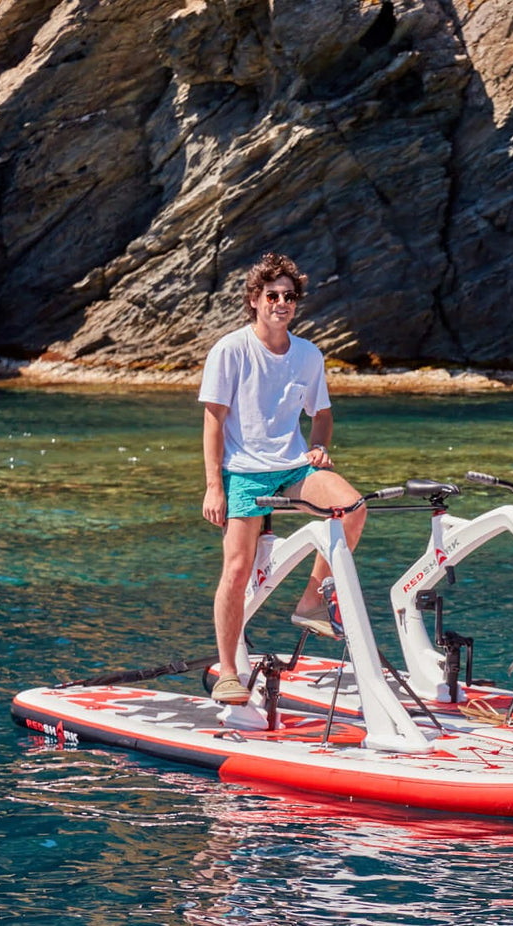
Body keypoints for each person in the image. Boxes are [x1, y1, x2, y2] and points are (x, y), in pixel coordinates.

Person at [199, 252, 366, 705]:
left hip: (293, 466)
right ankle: (230, 671)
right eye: (272, 295)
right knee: (236, 569)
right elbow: (214, 421)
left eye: (289, 296)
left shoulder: (308, 355)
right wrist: (214, 485)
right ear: (254, 300)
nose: (281, 303)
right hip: (245, 475)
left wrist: (320, 446)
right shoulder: (230, 350)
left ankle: (311, 602)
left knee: (352, 509)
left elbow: (323, 413)